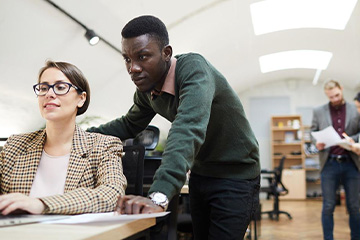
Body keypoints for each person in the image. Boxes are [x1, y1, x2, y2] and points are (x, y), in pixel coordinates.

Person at [87, 15, 260, 239]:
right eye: (127, 59)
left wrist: (159, 195)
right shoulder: (147, 92)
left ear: (166, 53)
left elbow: (188, 128)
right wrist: (75, 135)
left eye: (142, 57)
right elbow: (128, 125)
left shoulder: (194, 70)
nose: (133, 68)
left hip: (236, 175)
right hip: (201, 174)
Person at [0, 61, 126, 215]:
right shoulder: (16, 145)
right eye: (43, 88)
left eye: (60, 88)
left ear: (81, 98)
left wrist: (41, 204)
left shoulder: (103, 146)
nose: (49, 94)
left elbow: (112, 194)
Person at [311, 80, 360, 240]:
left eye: (337, 95)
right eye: (331, 97)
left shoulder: (356, 108)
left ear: (342, 88)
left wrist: (352, 140)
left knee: (354, 206)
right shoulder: (319, 111)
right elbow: (313, 132)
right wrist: (316, 143)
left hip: (351, 163)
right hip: (329, 163)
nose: (335, 99)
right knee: (328, 206)